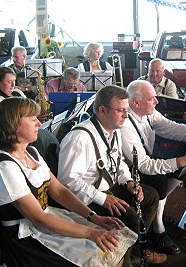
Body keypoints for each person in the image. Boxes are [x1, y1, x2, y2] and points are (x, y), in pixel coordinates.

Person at [0, 97, 136, 267]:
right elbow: (38, 218)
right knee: (104, 251)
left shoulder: (32, 152)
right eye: (32, 119)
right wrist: (90, 233)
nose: (38, 123)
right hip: (28, 238)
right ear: (13, 124)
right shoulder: (5, 168)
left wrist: (92, 217)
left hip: (47, 220)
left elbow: (58, 190)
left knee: (116, 240)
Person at [57, 85, 165, 266]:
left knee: (152, 196)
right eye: (121, 110)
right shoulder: (79, 138)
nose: (126, 115)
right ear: (102, 110)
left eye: (127, 110)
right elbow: (67, 182)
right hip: (87, 199)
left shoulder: (114, 130)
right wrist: (103, 199)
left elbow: (118, 161)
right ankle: (122, 259)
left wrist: (128, 181)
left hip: (109, 188)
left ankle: (135, 252)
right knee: (130, 218)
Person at [120, 80, 186, 255]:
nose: (156, 102)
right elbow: (143, 165)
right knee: (160, 180)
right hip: (127, 172)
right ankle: (158, 232)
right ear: (136, 103)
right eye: (152, 99)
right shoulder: (126, 126)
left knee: (180, 170)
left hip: (144, 161)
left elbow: (168, 127)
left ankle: (159, 214)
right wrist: (181, 161)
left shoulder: (146, 112)